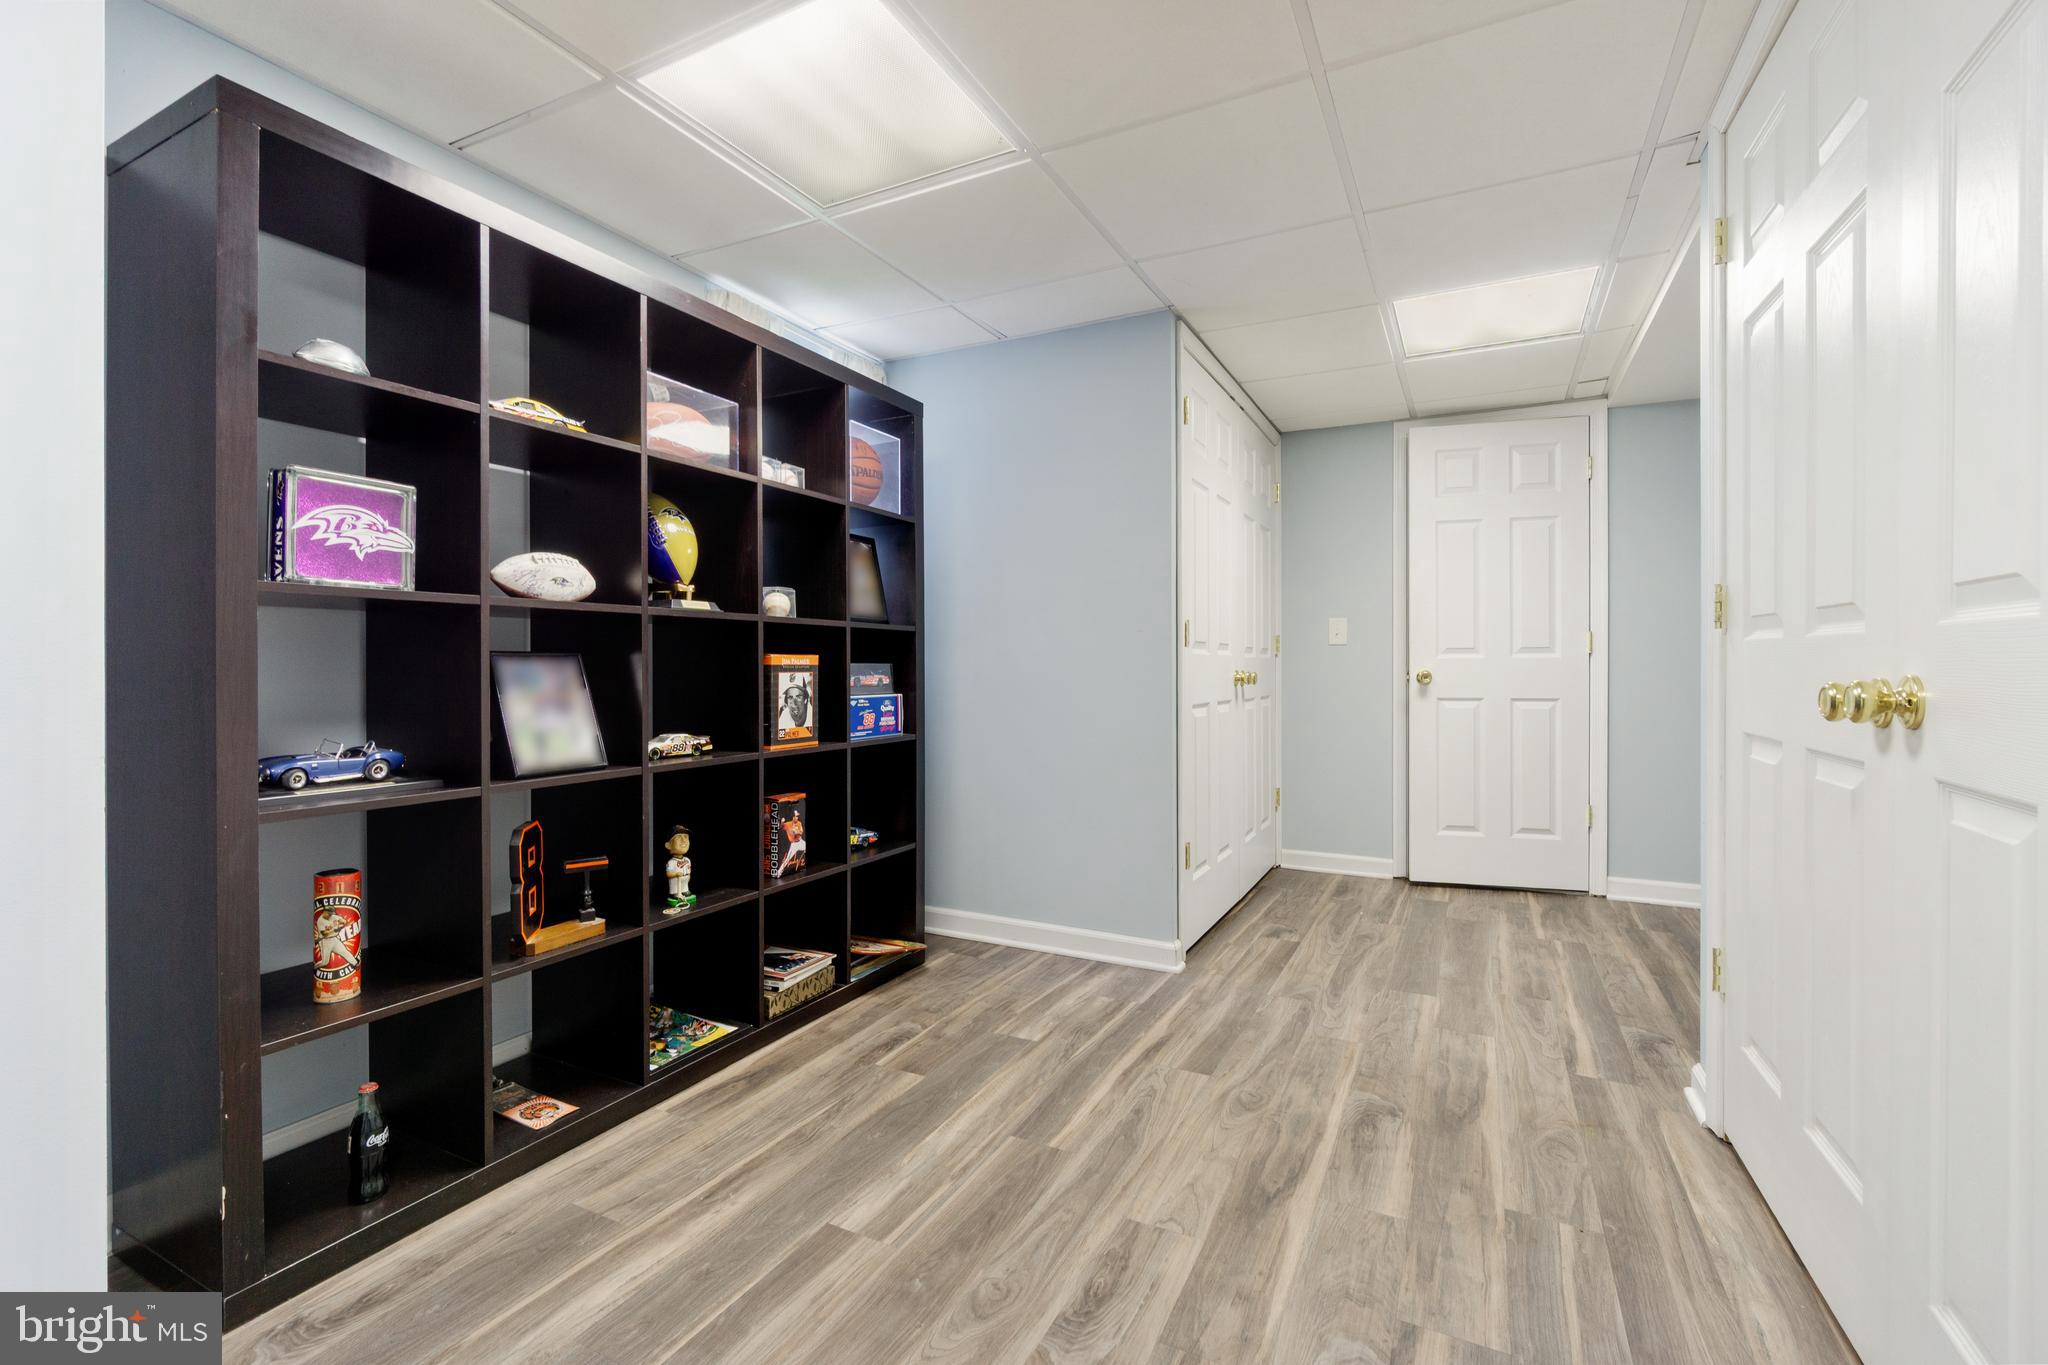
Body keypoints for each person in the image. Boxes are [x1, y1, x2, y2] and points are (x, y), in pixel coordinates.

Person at [663, 825, 696, 913]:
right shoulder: (671, 862)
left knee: (685, 889)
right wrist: (676, 874)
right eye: (679, 837)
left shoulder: (687, 860)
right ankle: (675, 894)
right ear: (668, 845)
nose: (684, 840)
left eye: (686, 837)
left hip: (684, 882)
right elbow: (668, 874)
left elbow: (689, 870)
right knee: (675, 887)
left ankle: (685, 891)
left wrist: (688, 876)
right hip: (675, 883)